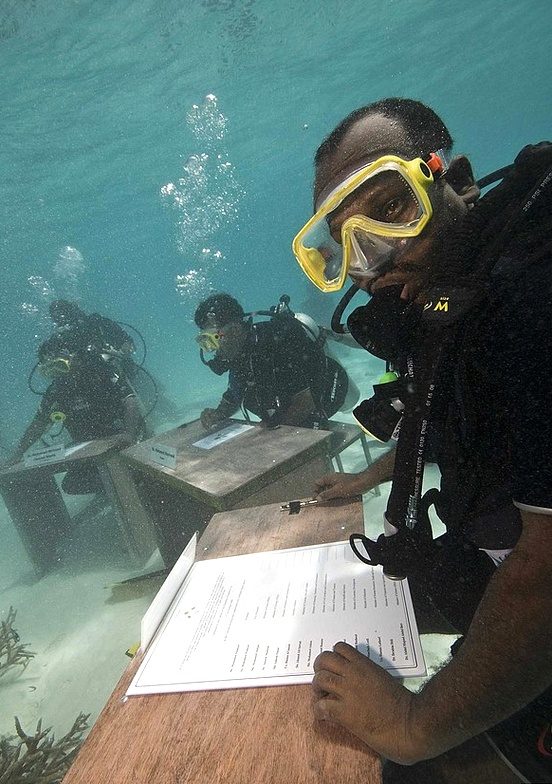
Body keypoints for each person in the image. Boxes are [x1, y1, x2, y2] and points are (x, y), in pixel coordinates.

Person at [292, 98, 552, 782]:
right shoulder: (461, 308)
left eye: (392, 209)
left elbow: (548, 571)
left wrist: (412, 727)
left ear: (456, 180)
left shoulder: (531, 304)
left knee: (405, 768)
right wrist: (369, 478)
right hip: (504, 563)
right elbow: (450, 420)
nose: (374, 262)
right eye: (345, 244)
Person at [194, 293, 352, 430]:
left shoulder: (274, 344)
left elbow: (305, 403)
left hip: (328, 395)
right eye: (205, 343)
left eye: (212, 340)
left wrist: (270, 430)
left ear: (234, 330)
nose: (213, 350)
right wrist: (218, 414)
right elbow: (236, 391)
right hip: (284, 410)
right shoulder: (239, 355)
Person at [12, 341, 145, 494]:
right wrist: (18, 454)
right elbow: (39, 423)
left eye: (59, 365)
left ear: (74, 358)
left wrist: (128, 435)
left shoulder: (101, 373)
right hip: (90, 447)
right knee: (72, 485)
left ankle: (128, 481)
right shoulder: (56, 391)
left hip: (120, 437)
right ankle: (118, 484)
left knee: (121, 467)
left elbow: (130, 402)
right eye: (50, 368)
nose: (57, 372)